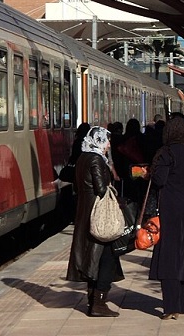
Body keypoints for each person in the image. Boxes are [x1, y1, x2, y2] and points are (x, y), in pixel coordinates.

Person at [148, 117, 184, 320]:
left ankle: (172, 306)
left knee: (170, 256)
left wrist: (149, 172)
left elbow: (159, 179)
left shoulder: (167, 152)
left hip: (171, 210)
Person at [66, 126, 125, 317]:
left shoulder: (82, 158)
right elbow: (101, 189)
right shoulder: (96, 160)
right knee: (107, 258)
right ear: (98, 140)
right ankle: (99, 302)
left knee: (92, 260)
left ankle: (92, 301)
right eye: (106, 141)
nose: (108, 145)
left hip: (85, 213)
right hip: (100, 216)